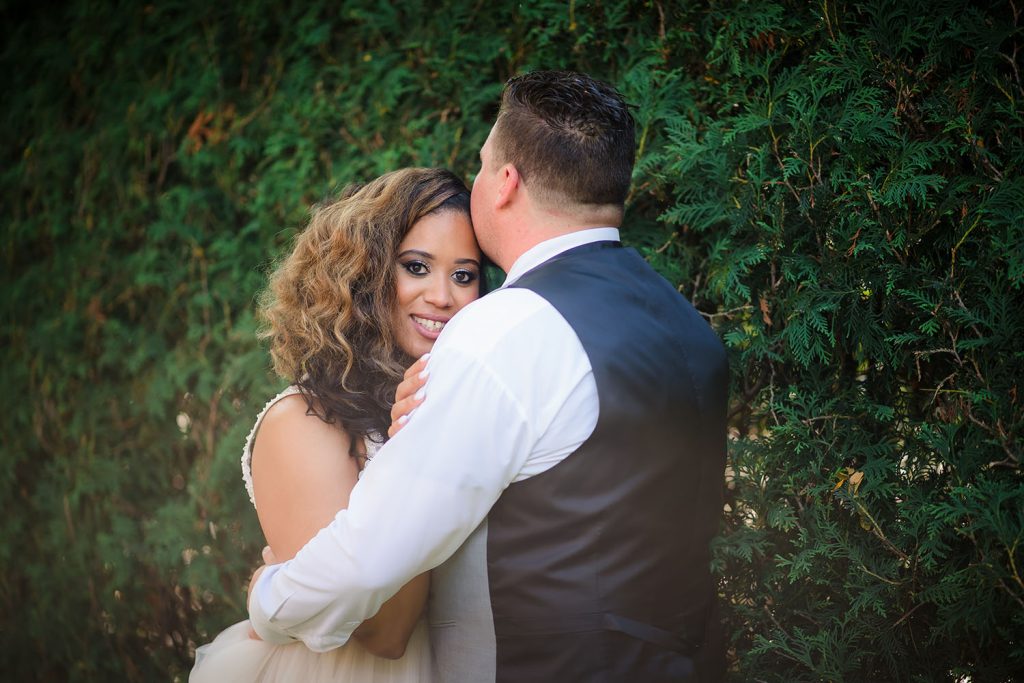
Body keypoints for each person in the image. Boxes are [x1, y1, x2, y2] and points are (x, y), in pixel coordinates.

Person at [248, 70, 729, 682]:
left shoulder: (506, 329)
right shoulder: (689, 329)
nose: (444, 296)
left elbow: (371, 561)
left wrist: (267, 596)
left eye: (480, 166)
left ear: (503, 183)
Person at [189, 167, 483, 682]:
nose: (442, 296)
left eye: (464, 275)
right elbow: (384, 632)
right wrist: (413, 443)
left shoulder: (467, 405)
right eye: (416, 267)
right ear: (364, 274)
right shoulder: (303, 420)